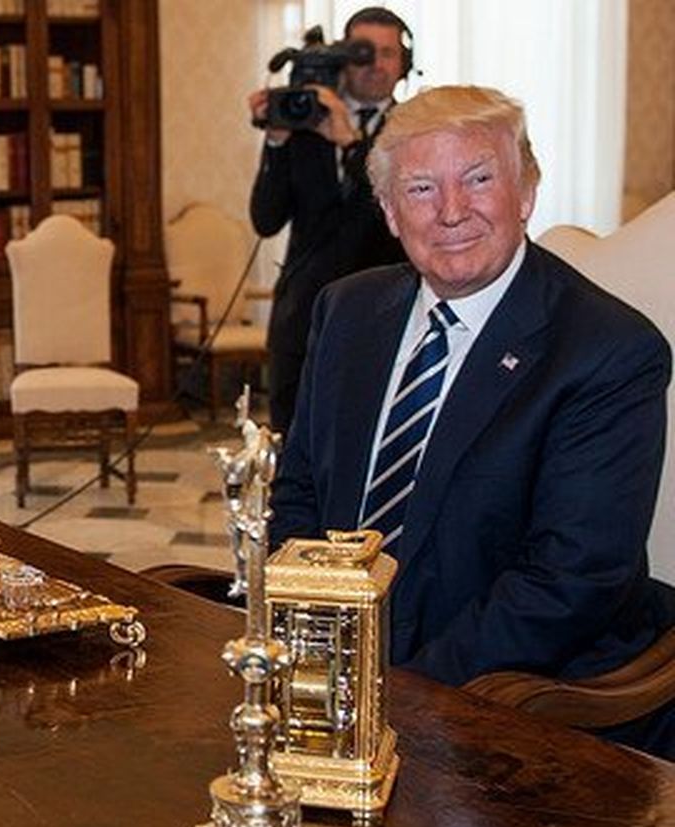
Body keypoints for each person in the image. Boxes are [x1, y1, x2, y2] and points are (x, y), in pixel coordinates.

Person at [270, 85, 675, 758]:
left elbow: (571, 580)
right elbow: (299, 495)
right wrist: (309, 647)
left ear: (526, 194)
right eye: (422, 189)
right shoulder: (346, 311)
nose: (452, 211)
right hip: (339, 677)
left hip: (527, 704)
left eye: (479, 179)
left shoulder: (606, 350)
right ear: (390, 213)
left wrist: (392, 687)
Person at [249, 6, 411, 432]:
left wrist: (351, 143)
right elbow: (265, 221)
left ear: (403, 64)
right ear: (342, 58)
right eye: (362, 52)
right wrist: (278, 142)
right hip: (302, 315)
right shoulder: (304, 121)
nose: (375, 64)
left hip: (383, 318)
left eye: (388, 53)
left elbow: (400, 215)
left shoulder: (417, 131)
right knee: (291, 441)